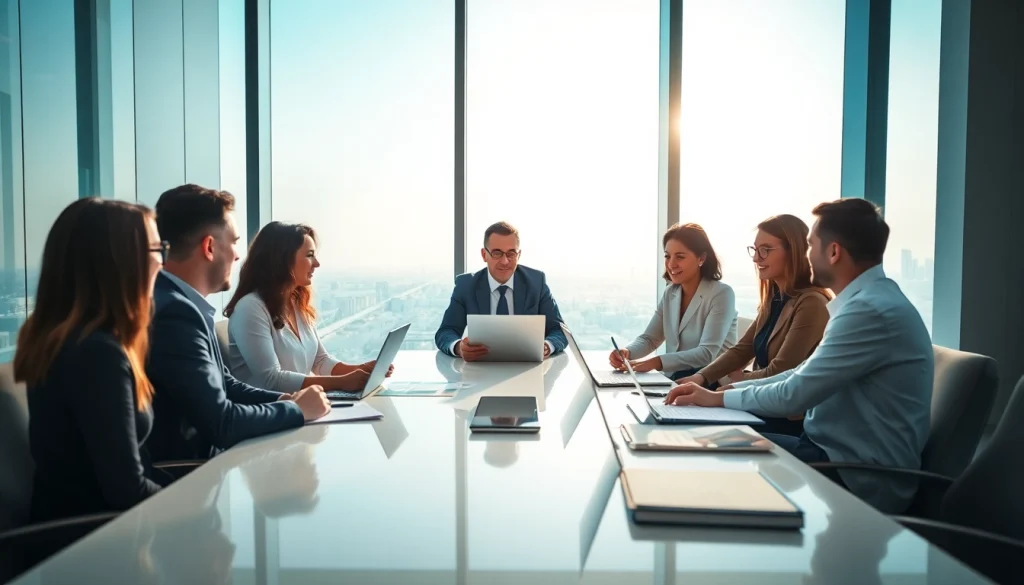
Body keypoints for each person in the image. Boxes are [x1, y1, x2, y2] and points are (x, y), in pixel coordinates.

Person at [665, 199, 933, 513]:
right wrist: (724, 392)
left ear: (833, 252)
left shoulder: (868, 311)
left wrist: (717, 399)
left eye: (810, 245)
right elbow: (800, 373)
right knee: (711, 436)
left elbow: (795, 395)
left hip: (853, 473)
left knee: (712, 446)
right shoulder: (866, 303)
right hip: (828, 452)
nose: (806, 255)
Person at [146, 184, 330, 462]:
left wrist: (283, 401)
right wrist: (296, 411)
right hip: (189, 478)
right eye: (233, 242)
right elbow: (222, 422)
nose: (237, 254)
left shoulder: (183, 305)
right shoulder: (175, 314)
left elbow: (226, 384)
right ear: (209, 247)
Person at [14, 198, 165, 522]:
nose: (161, 263)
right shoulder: (97, 355)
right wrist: (199, 503)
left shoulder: (71, 342)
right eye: (156, 250)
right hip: (92, 546)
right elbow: (128, 491)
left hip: (92, 534)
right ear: (123, 261)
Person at [676, 214, 832, 435]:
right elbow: (742, 349)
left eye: (765, 250)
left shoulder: (812, 303)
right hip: (757, 404)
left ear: (793, 251)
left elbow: (782, 370)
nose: (756, 258)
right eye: (755, 249)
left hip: (786, 417)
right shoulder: (774, 298)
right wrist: (700, 377)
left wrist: (738, 382)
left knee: (702, 430)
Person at [224, 221, 394, 392]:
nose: (317, 263)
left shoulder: (296, 304)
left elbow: (320, 361)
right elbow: (271, 379)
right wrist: (342, 382)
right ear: (283, 259)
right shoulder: (250, 309)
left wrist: (360, 370)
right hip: (268, 411)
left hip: (298, 406)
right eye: (310, 255)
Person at [610, 223, 738, 379]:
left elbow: (706, 353)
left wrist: (656, 362)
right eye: (667, 256)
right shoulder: (670, 293)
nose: (671, 264)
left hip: (711, 383)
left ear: (701, 258)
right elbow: (650, 339)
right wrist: (627, 352)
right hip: (675, 380)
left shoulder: (721, 294)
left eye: (680, 257)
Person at [435, 221, 567, 360]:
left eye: (511, 253)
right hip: (480, 373)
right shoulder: (466, 285)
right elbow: (446, 332)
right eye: (497, 253)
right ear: (484, 254)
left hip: (528, 371)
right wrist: (458, 348)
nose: (505, 261)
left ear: (519, 255)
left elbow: (560, 330)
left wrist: (547, 346)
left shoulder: (536, 282)